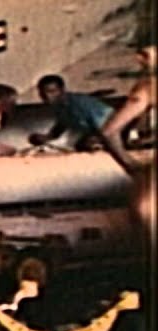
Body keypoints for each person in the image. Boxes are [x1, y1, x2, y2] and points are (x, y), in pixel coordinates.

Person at [98, 31, 156, 235]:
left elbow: (109, 131)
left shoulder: (147, 88)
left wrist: (129, 164)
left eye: (145, 54)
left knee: (143, 211)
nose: (140, 59)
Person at [28, 74, 114, 150]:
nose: (47, 96)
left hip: (114, 129)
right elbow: (62, 125)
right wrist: (46, 137)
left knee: (87, 145)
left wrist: (96, 139)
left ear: (62, 90)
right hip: (102, 132)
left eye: (52, 91)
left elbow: (105, 124)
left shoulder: (80, 103)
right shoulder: (59, 106)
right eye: (43, 93)